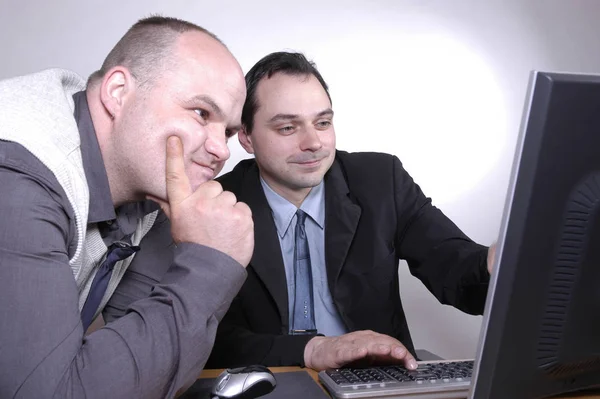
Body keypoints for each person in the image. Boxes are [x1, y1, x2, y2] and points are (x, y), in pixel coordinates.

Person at [105, 51, 495, 372]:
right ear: (246, 138)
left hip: (377, 382)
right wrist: (314, 350)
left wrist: (497, 262)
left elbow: (459, 275)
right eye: (288, 128)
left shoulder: (381, 180)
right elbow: (208, 340)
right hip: (269, 381)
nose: (313, 143)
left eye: (322, 123)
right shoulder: (212, 201)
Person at [0, 16, 253, 398]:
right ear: (118, 92)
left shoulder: (147, 184)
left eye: (229, 131)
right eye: (201, 112)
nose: (222, 150)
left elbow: (143, 373)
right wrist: (210, 264)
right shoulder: (16, 175)